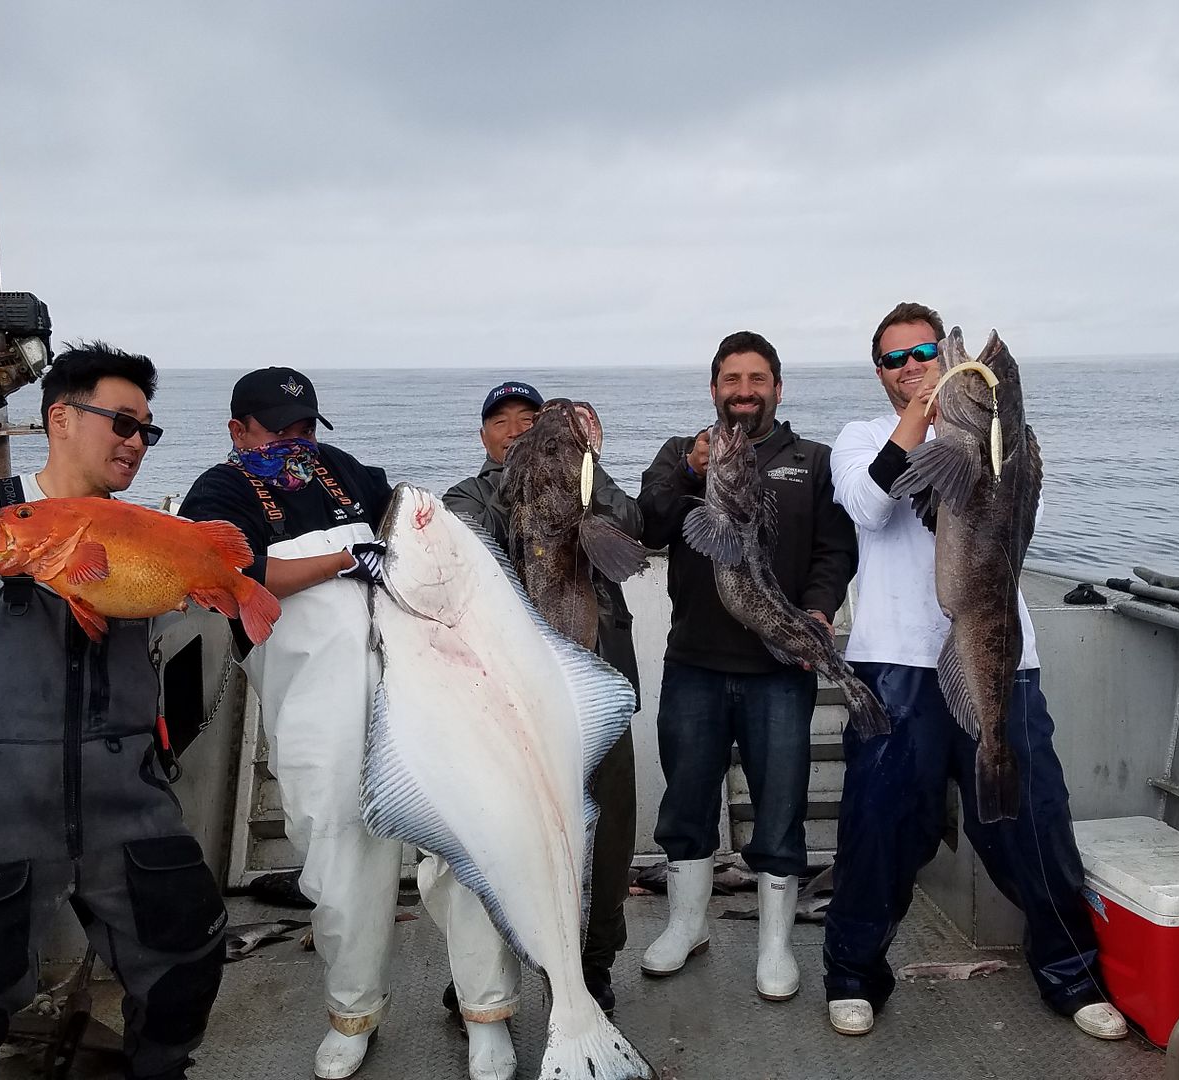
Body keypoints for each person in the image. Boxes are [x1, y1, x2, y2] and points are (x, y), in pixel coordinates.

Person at [0, 343, 226, 1080]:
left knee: (187, 960)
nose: (136, 443)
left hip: (126, 794)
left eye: (148, 431)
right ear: (61, 417)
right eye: (123, 423)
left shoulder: (143, 536)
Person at [177, 368, 518, 1080]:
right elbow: (229, 576)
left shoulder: (348, 473)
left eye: (306, 429)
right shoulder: (219, 493)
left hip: (418, 696)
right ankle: (352, 1013)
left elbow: (414, 531)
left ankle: (489, 1013)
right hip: (315, 713)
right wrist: (340, 560)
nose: (297, 443)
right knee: (340, 868)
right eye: (279, 431)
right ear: (238, 431)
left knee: (465, 848)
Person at [819, 302, 1124, 1039]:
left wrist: (990, 445)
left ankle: (1072, 975)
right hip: (895, 664)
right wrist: (921, 428)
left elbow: (1024, 527)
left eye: (924, 351)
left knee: (1034, 820)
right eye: (895, 359)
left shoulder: (1000, 445)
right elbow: (866, 503)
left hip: (998, 656)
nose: (913, 365)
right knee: (879, 826)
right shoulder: (862, 439)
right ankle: (854, 976)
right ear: (879, 373)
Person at [636, 331, 858, 1002]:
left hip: (780, 668)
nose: (743, 390)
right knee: (687, 802)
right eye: (731, 379)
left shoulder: (812, 462)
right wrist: (690, 474)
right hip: (695, 664)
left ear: (778, 388)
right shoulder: (681, 455)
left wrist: (818, 614)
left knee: (781, 808)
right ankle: (686, 926)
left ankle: (775, 946)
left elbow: (834, 552)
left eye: (756, 378)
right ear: (713, 390)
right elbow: (649, 526)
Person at [443, 380, 643, 1011]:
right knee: (504, 832)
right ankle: (489, 967)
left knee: (607, 829)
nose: (513, 429)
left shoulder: (588, 482)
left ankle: (595, 960)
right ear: (484, 436)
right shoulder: (465, 496)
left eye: (527, 421)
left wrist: (589, 467)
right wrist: (535, 483)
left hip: (598, 683)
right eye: (500, 421)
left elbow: (631, 531)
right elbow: (474, 560)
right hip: (505, 696)